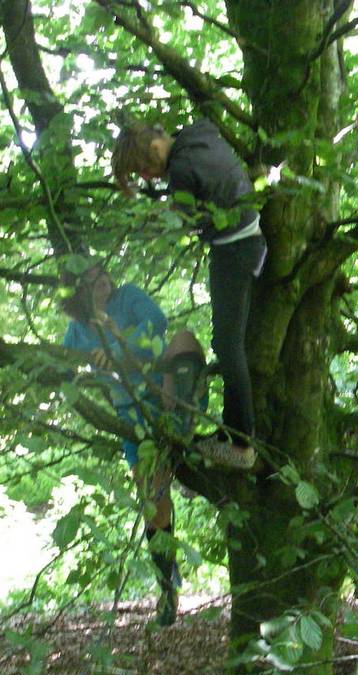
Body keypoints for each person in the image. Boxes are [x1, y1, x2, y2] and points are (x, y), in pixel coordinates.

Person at [112, 120, 265, 471]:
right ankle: (231, 436)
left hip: (235, 250)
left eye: (145, 168)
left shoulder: (181, 170)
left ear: (155, 149)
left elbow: (181, 219)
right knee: (232, 343)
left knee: (228, 346)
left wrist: (156, 215)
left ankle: (241, 443)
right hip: (246, 241)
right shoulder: (199, 133)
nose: (149, 177)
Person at [61, 264, 206, 627]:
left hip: (167, 396)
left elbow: (157, 323)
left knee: (186, 339)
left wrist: (120, 349)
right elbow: (65, 364)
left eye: (102, 274)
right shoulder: (77, 333)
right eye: (91, 280)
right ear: (78, 291)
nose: (102, 281)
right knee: (154, 506)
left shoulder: (129, 297)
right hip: (133, 420)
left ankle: (185, 443)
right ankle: (167, 588)